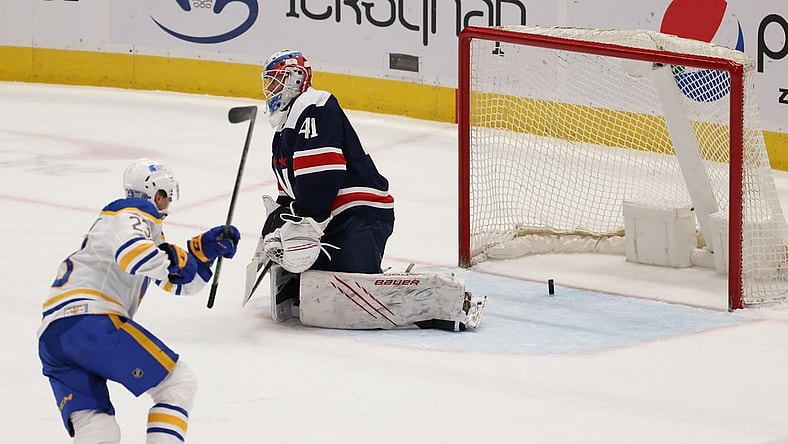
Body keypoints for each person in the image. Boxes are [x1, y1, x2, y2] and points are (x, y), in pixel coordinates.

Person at [251, 49, 486, 331]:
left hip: (357, 216)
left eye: (277, 80)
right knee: (316, 291)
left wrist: (297, 225)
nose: (272, 89)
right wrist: (273, 231)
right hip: (333, 221)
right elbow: (289, 197)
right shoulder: (283, 132)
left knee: (352, 292)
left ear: (298, 78)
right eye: (270, 82)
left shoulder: (314, 105)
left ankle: (445, 299)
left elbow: (320, 182)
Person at [38, 158, 240, 444]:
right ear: (157, 194)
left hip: (54, 337)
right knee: (177, 383)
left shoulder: (126, 228)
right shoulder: (134, 212)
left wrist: (202, 254)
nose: (166, 205)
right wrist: (173, 261)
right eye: (166, 197)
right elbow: (135, 256)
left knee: (99, 430)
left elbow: (176, 282)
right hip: (90, 322)